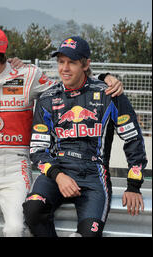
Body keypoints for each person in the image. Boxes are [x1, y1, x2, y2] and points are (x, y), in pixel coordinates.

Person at [0, 26, 124, 237]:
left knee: (16, 228)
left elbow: (69, 85)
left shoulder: (28, 75)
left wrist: (105, 78)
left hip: (16, 167)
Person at [23, 36, 147, 237]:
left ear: (86, 64)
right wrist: (59, 176)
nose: (64, 68)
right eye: (61, 62)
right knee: (32, 209)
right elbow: (38, 150)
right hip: (58, 170)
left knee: (90, 234)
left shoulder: (110, 94)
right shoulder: (47, 98)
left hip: (94, 175)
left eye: (71, 62)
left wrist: (133, 186)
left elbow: (133, 139)